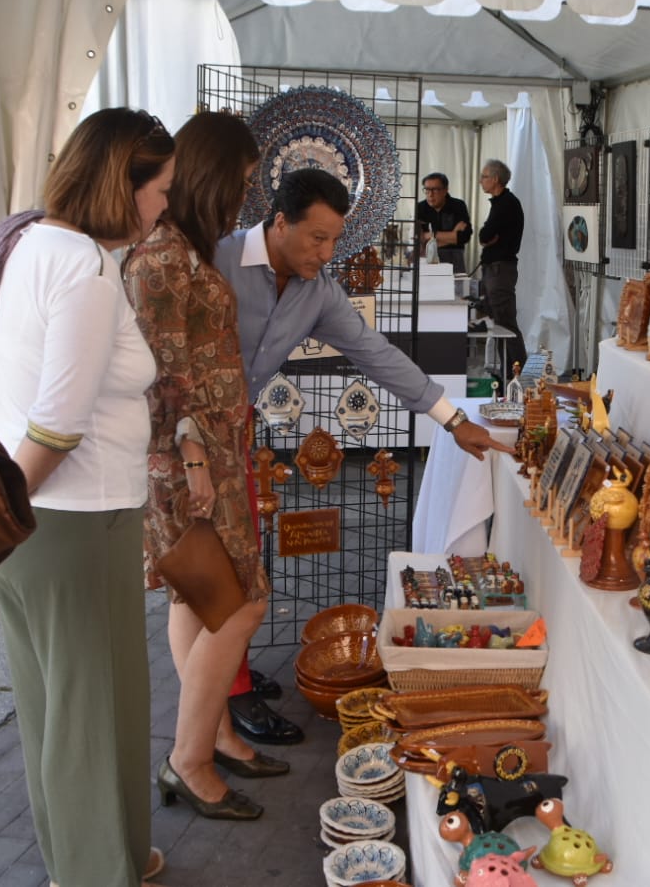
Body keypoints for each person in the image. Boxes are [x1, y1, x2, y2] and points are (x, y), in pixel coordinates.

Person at [214, 167, 512, 744]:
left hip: (235, 431)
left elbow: (376, 353)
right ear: (279, 222)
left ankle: (230, 669)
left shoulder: (317, 289)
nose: (327, 253)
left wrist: (453, 420)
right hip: (186, 436)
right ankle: (227, 696)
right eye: (317, 238)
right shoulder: (218, 260)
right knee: (220, 569)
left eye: (334, 240)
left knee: (243, 559)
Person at [0, 108, 174, 887]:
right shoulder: (84, 267)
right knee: (90, 716)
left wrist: (5, 513)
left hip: (54, 524)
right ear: (121, 184)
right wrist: (9, 509)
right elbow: (56, 425)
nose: (164, 206)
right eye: (159, 189)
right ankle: (95, 872)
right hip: (74, 522)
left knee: (64, 711)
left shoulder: (30, 242)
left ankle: (101, 858)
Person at [125, 111, 283, 822]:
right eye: (241, 181)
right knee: (241, 602)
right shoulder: (165, 256)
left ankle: (213, 738)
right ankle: (188, 761)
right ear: (213, 174)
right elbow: (161, 372)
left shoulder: (183, 249)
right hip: (191, 458)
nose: (244, 197)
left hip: (205, 451)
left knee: (195, 598)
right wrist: (195, 458)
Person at [477, 158, 526, 371]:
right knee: (497, 323)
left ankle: (518, 373)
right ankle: (507, 372)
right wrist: (488, 238)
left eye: (484, 176)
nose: (480, 181)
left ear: (496, 179)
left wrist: (488, 238)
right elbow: (486, 237)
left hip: (500, 270)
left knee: (505, 323)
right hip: (494, 268)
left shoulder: (506, 204)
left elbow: (484, 235)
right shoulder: (499, 203)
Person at [416, 171, 472, 272]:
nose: (430, 194)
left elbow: (463, 237)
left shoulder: (458, 205)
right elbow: (419, 240)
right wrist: (452, 235)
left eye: (435, 190)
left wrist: (429, 235)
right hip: (426, 260)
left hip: (454, 259)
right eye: (427, 190)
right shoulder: (420, 208)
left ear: (445, 190)